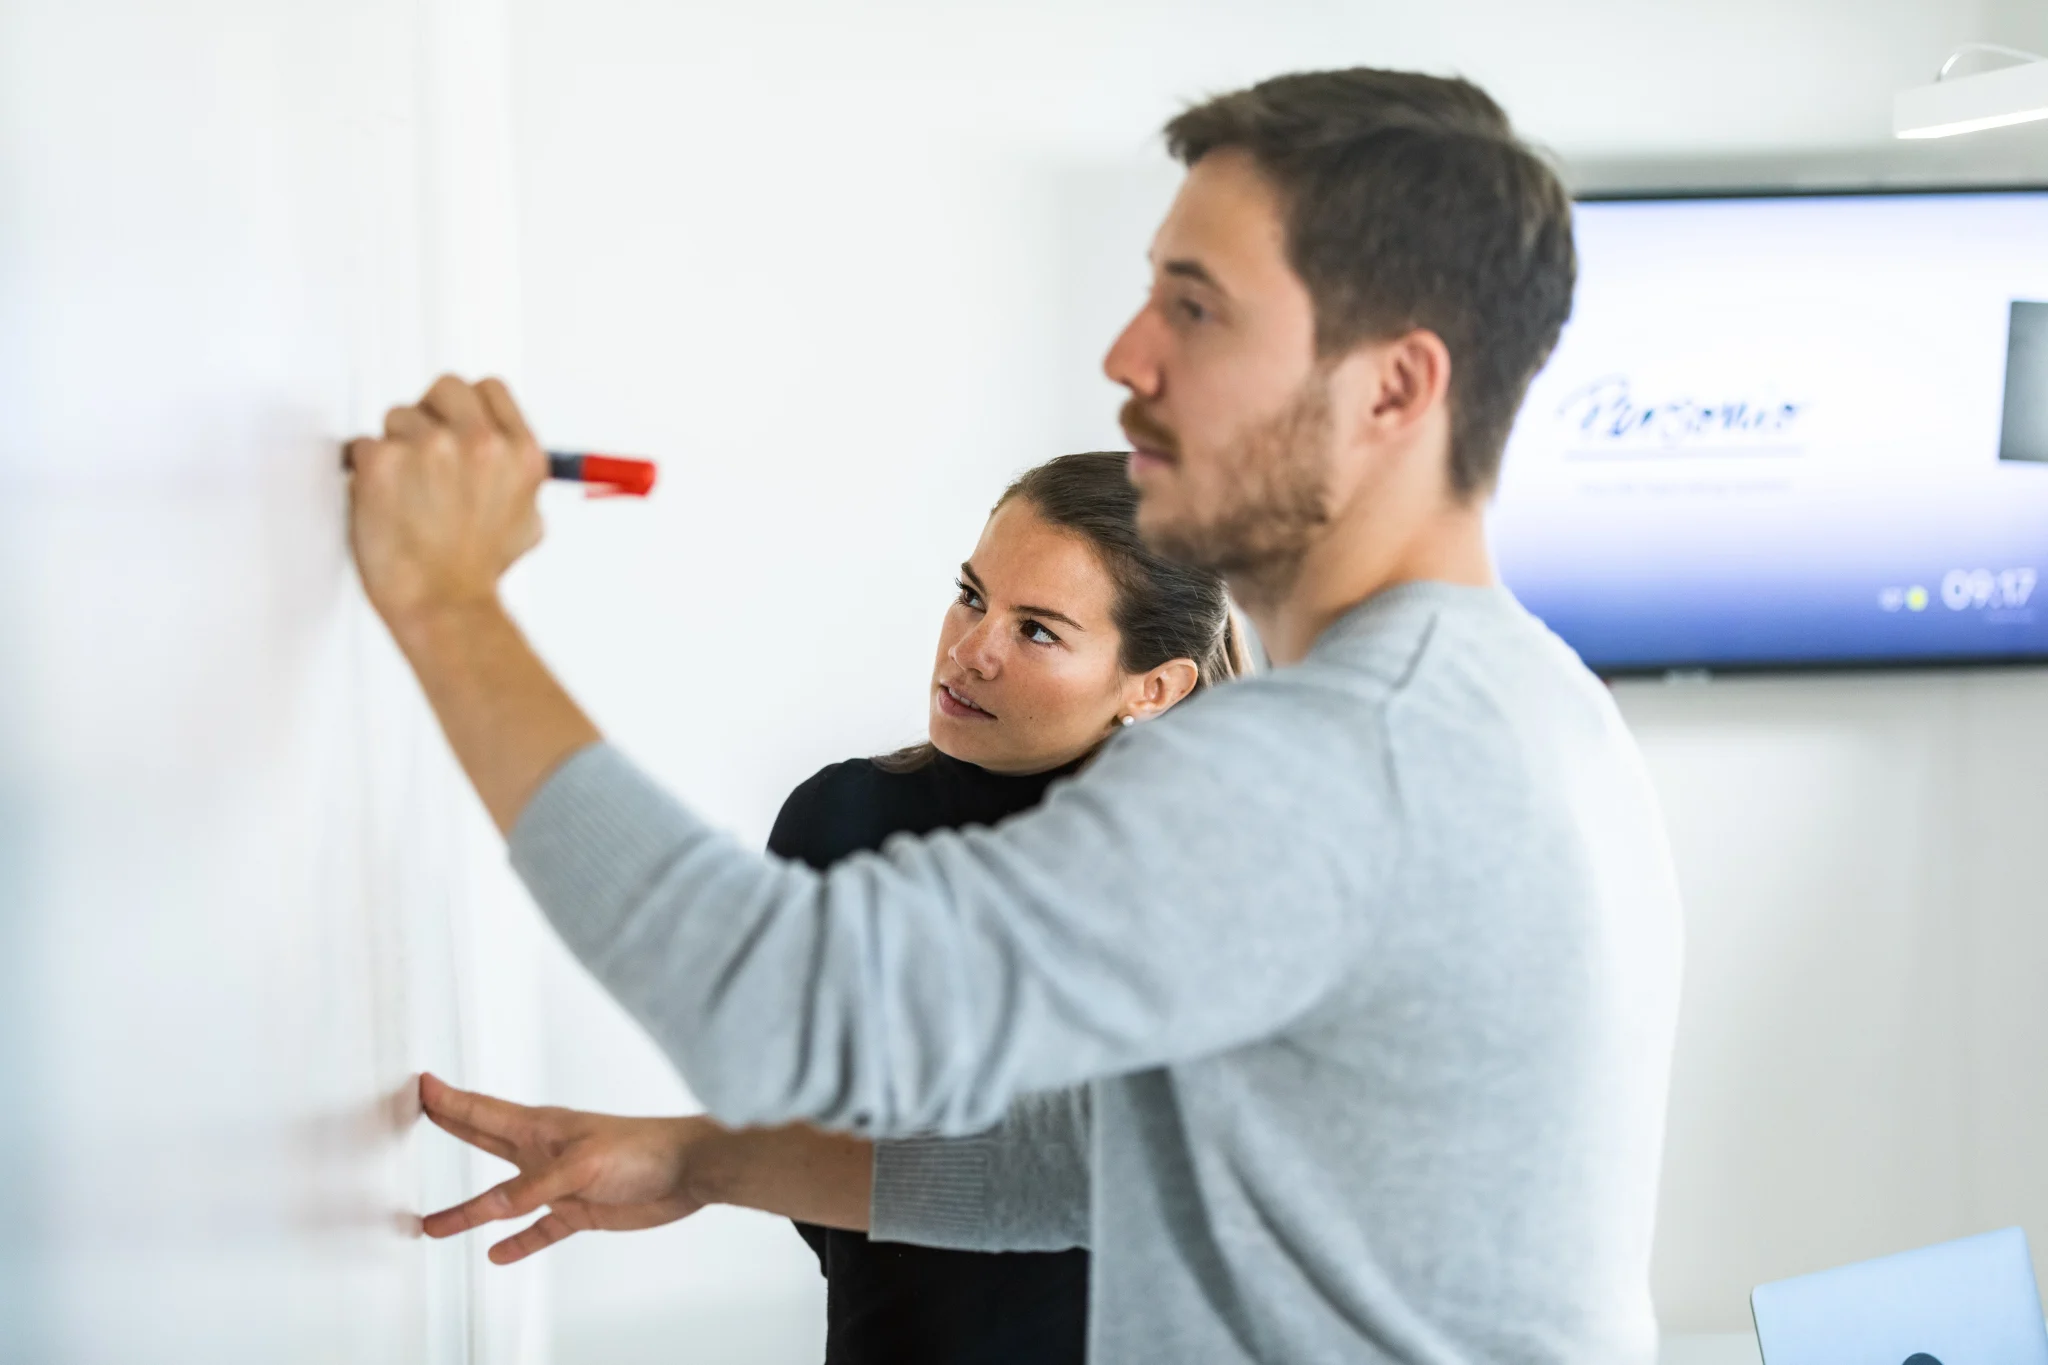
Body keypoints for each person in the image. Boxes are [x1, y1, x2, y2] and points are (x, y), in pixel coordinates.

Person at [347, 67, 1684, 1365]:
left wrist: (445, 602)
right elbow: (1107, 1161)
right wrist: (704, 1159)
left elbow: (774, 1005)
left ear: (1392, 388)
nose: (1126, 355)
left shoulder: (1334, 758)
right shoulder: (1529, 701)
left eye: (1196, 308)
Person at [416, 451, 1242, 1364]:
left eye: (1038, 631)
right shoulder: (841, 814)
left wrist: (444, 602)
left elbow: (1110, 1177)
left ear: (1152, 687)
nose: (973, 650)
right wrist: (702, 1161)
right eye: (972, 595)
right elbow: (828, 1124)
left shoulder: (1197, 884)